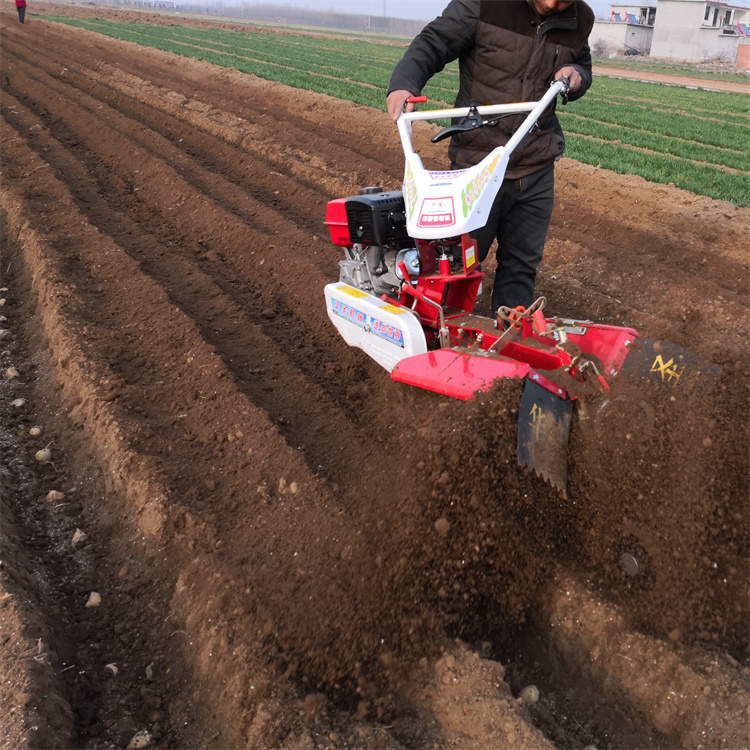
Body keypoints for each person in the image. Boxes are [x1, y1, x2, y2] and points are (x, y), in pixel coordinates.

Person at [387, 0, 594, 318]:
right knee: (458, 267)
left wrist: (577, 75)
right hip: (478, 164)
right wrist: (404, 83)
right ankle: (441, 341)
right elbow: (435, 41)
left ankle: (506, 347)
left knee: (521, 268)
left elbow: (582, 64)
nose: (558, 4)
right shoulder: (485, 4)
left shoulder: (580, 17)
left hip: (535, 165)